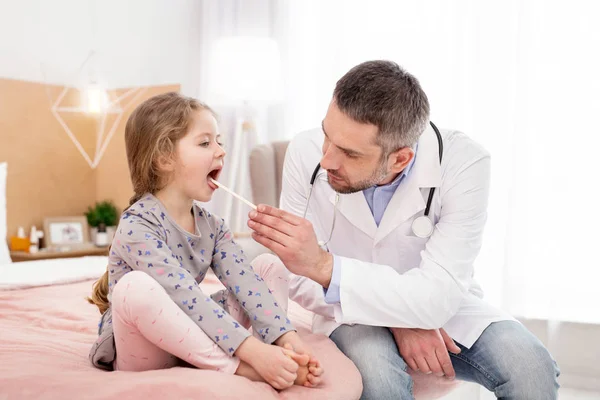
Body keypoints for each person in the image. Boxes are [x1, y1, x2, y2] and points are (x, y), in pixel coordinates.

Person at [247, 60, 560, 399]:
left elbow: (438, 296)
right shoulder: (304, 152)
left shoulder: (464, 163)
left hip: (443, 307)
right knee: (378, 377)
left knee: (531, 368)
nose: (327, 161)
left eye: (350, 154)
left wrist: (325, 266)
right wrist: (401, 319)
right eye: (327, 135)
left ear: (400, 159)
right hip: (346, 312)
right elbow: (297, 276)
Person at [87, 92, 323, 390]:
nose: (221, 151)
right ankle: (243, 368)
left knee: (266, 266)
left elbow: (246, 282)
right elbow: (184, 294)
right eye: (205, 142)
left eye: (219, 141)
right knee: (135, 289)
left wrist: (289, 339)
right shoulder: (138, 225)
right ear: (164, 158)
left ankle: (276, 354)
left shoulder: (213, 226)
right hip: (146, 352)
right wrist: (250, 352)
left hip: (191, 338)